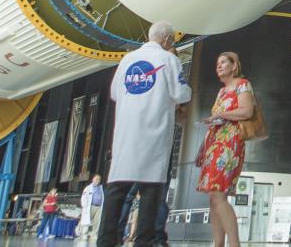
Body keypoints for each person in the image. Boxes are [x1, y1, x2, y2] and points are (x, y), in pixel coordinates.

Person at [97, 21, 191, 247]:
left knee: (117, 189)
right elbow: (182, 94)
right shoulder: (169, 60)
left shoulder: (127, 60)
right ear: (168, 40)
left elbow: (114, 93)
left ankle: (106, 241)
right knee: (151, 190)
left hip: (126, 133)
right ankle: (145, 241)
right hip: (154, 132)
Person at [198, 51, 256, 247]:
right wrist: (202, 147)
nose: (219, 66)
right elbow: (216, 120)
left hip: (230, 144)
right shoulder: (221, 92)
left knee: (219, 194)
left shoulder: (243, 84)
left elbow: (247, 111)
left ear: (234, 65)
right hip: (214, 144)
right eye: (217, 63)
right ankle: (218, 243)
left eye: (223, 62)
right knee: (213, 197)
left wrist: (221, 114)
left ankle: (234, 244)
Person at [80, 175, 103, 240]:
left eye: (99, 179)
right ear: (93, 179)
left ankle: (94, 234)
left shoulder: (101, 188)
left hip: (99, 207)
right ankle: (84, 234)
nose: (97, 180)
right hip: (90, 206)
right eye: (96, 179)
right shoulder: (88, 188)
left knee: (97, 221)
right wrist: (84, 206)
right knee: (87, 220)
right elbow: (84, 197)